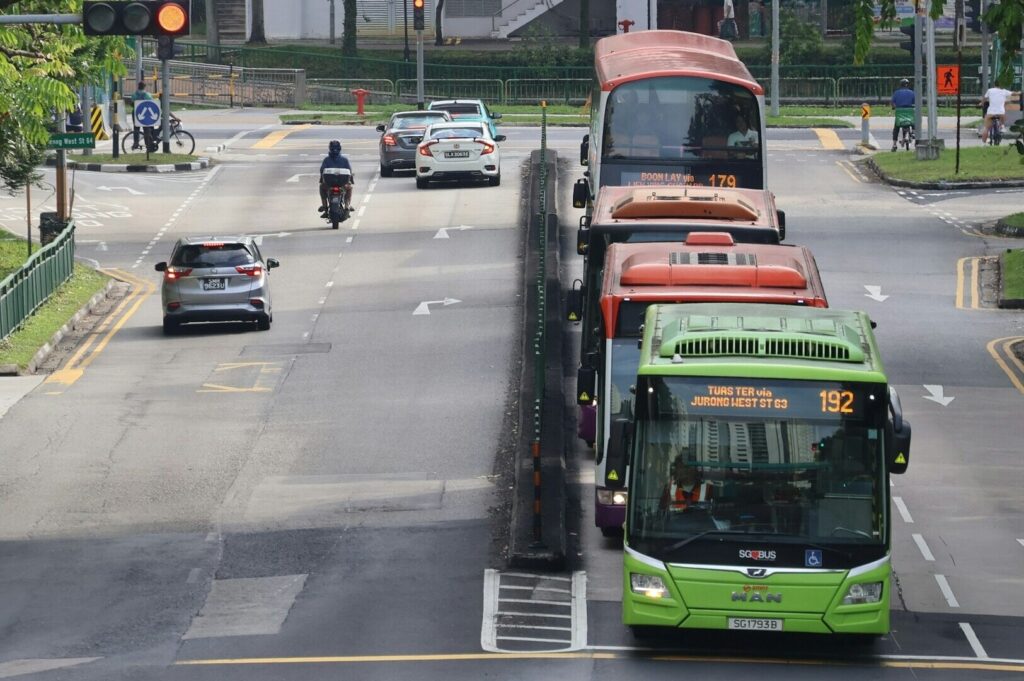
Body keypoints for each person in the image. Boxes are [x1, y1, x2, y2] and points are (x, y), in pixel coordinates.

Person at [318, 139, 354, 214]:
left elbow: (322, 171)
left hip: (329, 184)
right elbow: (350, 171)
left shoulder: (326, 160)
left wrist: (321, 179)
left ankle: (324, 206)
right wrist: (351, 180)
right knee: (349, 188)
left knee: (322, 187)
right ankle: (347, 205)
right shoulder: (344, 160)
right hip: (342, 184)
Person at [891, 78, 915, 151]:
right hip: (909, 112)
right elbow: (915, 102)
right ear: (907, 85)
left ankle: (894, 144)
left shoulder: (896, 93)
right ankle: (914, 132)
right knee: (913, 121)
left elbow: (892, 103)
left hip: (899, 113)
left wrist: (894, 107)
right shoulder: (912, 92)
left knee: (896, 127)